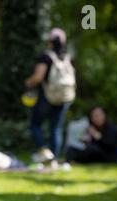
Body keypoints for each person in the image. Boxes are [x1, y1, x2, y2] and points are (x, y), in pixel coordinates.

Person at [25, 28, 75, 163]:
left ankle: (44, 150)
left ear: (50, 42)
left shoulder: (46, 56)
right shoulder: (67, 57)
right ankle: (54, 159)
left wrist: (28, 82)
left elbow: (38, 77)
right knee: (56, 129)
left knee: (35, 124)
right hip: (65, 97)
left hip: (47, 96)